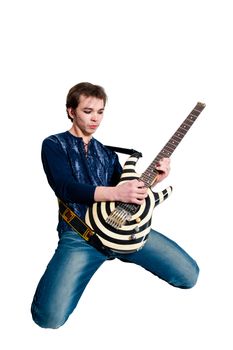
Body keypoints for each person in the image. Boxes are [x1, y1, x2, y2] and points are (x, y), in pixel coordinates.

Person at [31, 82, 199, 329]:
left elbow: (126, 195)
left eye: (100, 112)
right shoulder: (54, 144)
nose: (95, 118)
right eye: (88, 111)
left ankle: (120, 250)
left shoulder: (108, 155)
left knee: (189, 275)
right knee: (48, 319)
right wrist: (117, 191)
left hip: (123, 229)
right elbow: (65, 187)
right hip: (82, 235)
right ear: (71, 111)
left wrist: (153, 182)